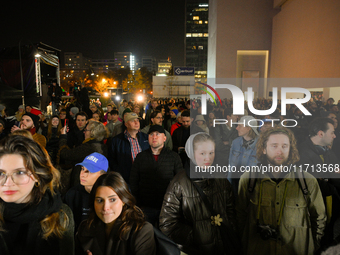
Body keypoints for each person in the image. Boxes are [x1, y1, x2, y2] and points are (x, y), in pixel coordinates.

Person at [236, 126, 326, 255]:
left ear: (290, 149)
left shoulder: (307, 181)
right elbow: (240, 216)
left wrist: (312, 245)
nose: (280, 151)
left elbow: (319, 218)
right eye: (274, 146)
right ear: (264, 149)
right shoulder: (248, 179)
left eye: (284, 146)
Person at [159, 132, 238, 255]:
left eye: (211, 153)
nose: (208, 158)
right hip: (195, 249)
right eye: (202, 153)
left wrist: (230, 228)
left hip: (223, 246)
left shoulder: (220, 178)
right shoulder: (179, 183)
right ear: (191, 153)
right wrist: (194, 235)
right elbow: (167, 224)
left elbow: (231, 209)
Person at [0, 135, 74, 254]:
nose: (7, 183)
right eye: (1, 173)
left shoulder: (59, 216)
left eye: (19, 172)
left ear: (38, 176)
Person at [76, 172, 156, 255]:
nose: (105, 207)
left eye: (112, 200)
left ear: (124, 201)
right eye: (100, 200)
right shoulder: (85, 228)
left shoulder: (141, 231)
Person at [298, 117, 340, 250]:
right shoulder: (302, 154)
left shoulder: (326, 150)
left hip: (330, 200)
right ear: (321, 134)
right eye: (332, 132)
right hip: (315, 206)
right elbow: (314, 184)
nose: (334, 136)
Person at [130, 125, 183, 226]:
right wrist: (137, 203)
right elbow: (133, 181)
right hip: (145, 206)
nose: (154, 137)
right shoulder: (141, 157)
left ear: (164, 138)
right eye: (151, 134)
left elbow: (180, 182)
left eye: (157, 134)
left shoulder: (173, 157)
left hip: (167, 206)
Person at [64, 152, 108, 234]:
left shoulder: (109, 195)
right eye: (82, 169)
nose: (82, 174)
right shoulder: (72, 194)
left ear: (102, 175)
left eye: (89, 171)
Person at [59, 120, 108, 189]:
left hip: (83, 185)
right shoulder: (103, 146)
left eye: (86, 130)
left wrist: (63, 137)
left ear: (92, 132)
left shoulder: (88, 147)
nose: (84, 132)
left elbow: (65, 154)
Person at [109, 112, 149, 184]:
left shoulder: (146, 138)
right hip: (126, 179)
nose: (136, 123)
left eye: (137, 120)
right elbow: (112, 159)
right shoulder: (117, 140)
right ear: (126, 124)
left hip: (144, 177)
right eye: (132, 121)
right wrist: (120, 172)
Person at [228, 115, 259, 196]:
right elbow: (230, 165)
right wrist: (228, 184)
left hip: (252, 186)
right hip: (235, 183)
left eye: (240, 126)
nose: (236, 128)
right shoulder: (235, 142)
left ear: (249, 128)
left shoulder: (261, 145)